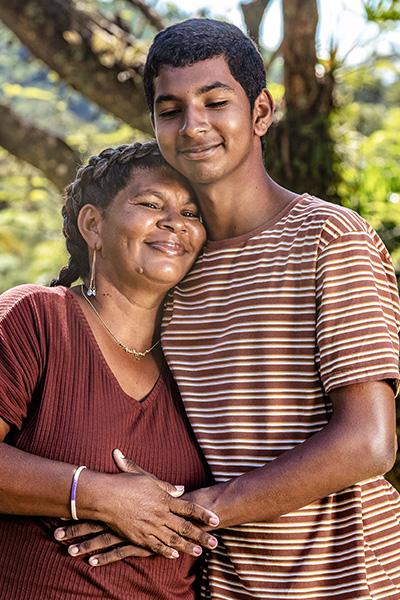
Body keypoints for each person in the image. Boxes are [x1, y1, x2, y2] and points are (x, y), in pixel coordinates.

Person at [61, 18, 400, 599]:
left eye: (215, 102)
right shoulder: (174, 267)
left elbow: (368, 441)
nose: (194, 126)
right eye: (170, 111)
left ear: (261, 113)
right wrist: (114, 501)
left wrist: (190, 512)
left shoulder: (327, 238)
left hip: (346, 579)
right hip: (223, 581)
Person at [0, 140, 222, 600]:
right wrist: (99, 495)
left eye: (191, 212)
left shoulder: (198, 362)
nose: (174, 222)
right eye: (150, 203)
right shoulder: (39, 318)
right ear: (93, 225)